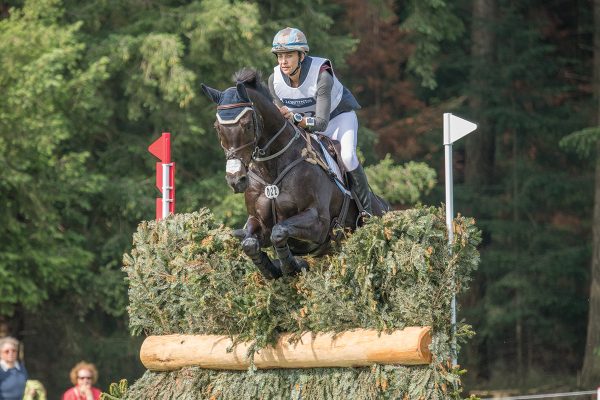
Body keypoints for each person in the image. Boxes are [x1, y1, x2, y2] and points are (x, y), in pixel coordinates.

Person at [268, 27, 373, 216]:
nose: (283, 61)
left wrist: (295, 118)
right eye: (279, 56)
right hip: (306, 128)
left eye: (289, 55)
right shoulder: (273, 81)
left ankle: (367, 211)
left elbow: (322, 124)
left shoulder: (322, 75)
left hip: (338, 120)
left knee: (348, 157)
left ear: (301, 55)